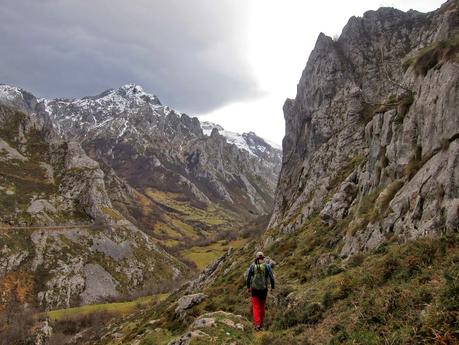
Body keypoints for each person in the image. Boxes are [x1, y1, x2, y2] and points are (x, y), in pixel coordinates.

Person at [246, 251, 275, 330]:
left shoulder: (252, 266)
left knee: (255, 307)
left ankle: (257, 324)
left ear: (256, 258)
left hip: (254, 289)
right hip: (264, 290)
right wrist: (272, 287)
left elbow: (248, 278)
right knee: (262, 307)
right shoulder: (267, 266)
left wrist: (248, 287)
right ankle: (261, 324)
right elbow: (272, 278)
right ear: (263, 258)